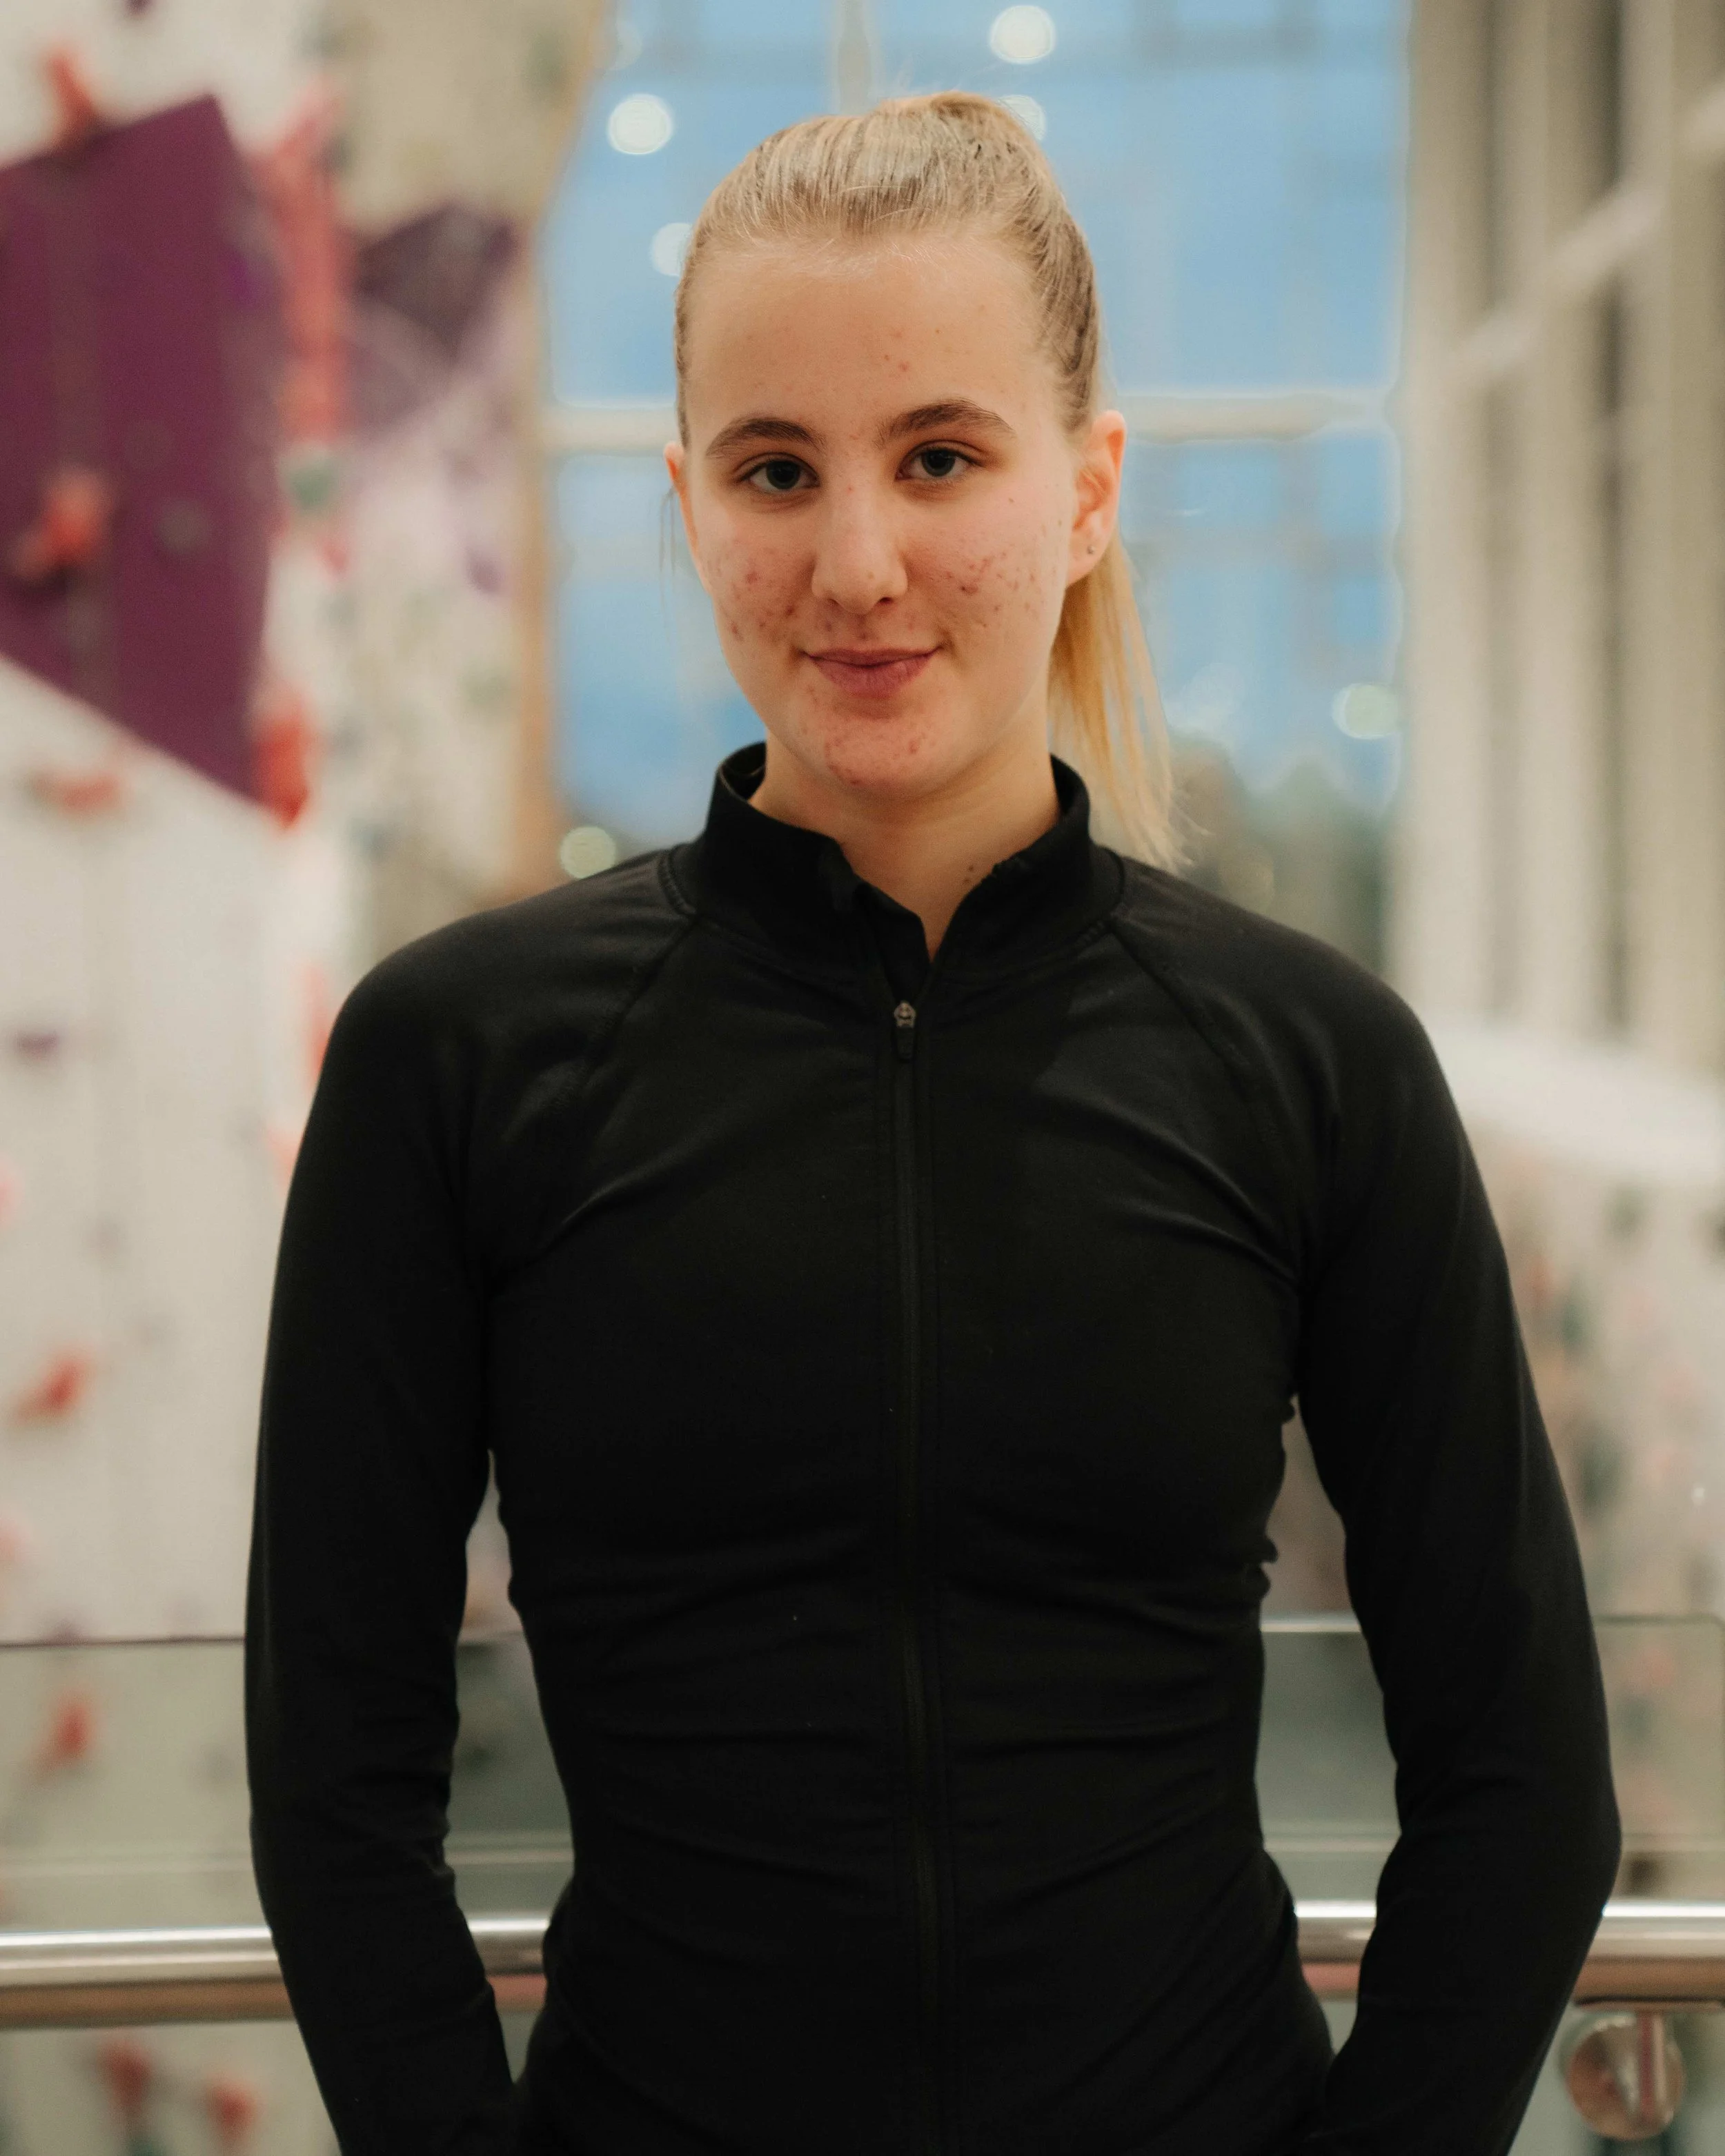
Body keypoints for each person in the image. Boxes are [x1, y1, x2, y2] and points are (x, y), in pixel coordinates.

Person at [244, 92, 1620, 2156]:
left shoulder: (1308, 1061)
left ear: (1086, 492)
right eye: (775, 470)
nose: (856, 564)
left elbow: (1521, 1773)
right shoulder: (458, 1059)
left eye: (943, 457)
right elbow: (334, 1772)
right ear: (687, 506)